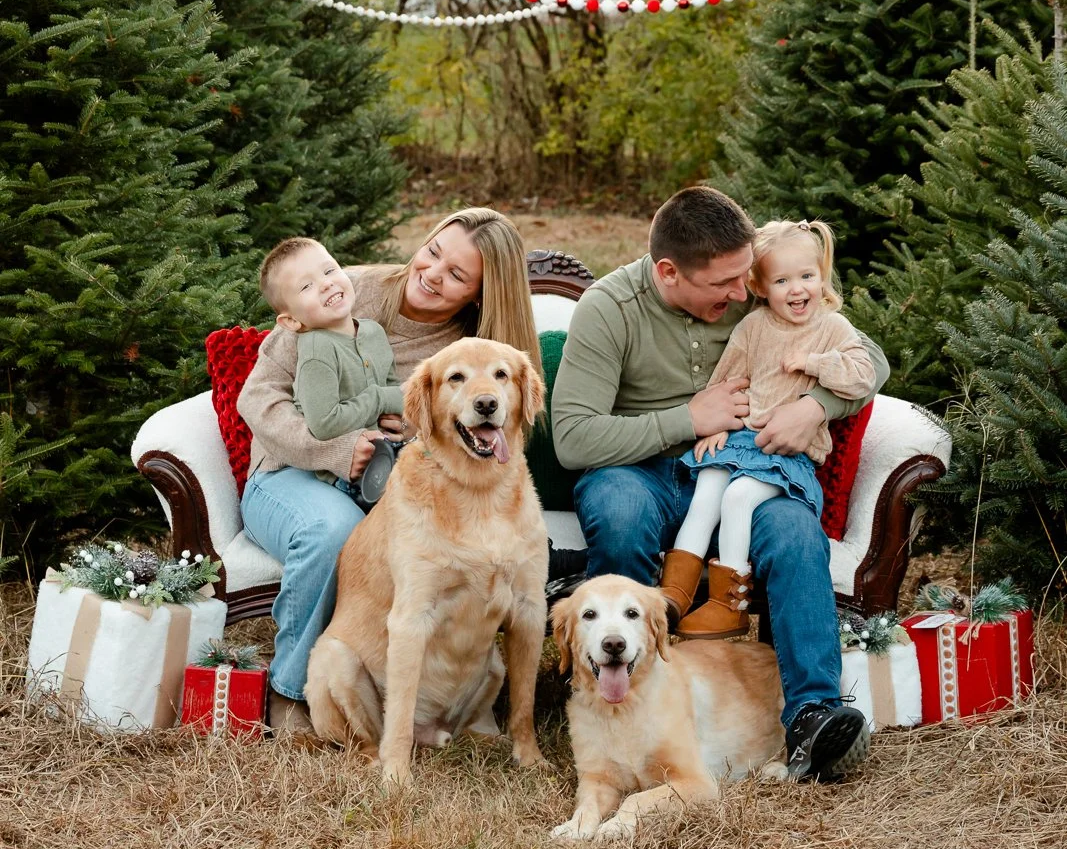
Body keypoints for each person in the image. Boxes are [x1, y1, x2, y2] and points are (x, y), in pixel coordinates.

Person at [551, 185, 889, 784]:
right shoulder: (609, 308)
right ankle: (618, 694)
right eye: (726, 285)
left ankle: (812, 712)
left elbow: (871, 360)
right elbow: (574, 438)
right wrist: (688, 420)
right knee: (617, 504)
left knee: (792, 531)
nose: (743, 293)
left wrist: (815, 405)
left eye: (747, 280)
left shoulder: (755, 292)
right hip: (645, 470)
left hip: (744, 466)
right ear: (668, 272)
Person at [238, 208, 542, 737]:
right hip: (289, 473)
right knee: (331, 529)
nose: (431, 273)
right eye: (433, 252)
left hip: (376, 483)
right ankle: (289, 693)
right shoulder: (347, 290)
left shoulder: (470, 350)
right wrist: (333, 450)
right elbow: (258, 396)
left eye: (456, 275)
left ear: (480, 294)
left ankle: (436, 692)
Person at [663, 217, 876, 639]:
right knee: (706, 491)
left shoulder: (832, 328)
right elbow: (726, 380)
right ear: (761, 287)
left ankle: (730, 606)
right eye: (782, 280)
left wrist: (815, 364)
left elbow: (863, 376)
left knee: (739, 497)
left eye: (807, 277)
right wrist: (714, 426)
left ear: (821, 277)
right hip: (741, 441)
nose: (797, 289)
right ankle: (673, 595)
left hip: (787, 456)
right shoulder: (753, 327)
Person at [257, 236, 405, 498]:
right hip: (342, 477)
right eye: (306, 286)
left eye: (329, 270)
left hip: (383, 455)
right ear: (291, 321)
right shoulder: (317, 349)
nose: (326, 284)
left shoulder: (373, 331)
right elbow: (324, 423)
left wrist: (397, 417)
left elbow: (391, 386)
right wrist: (379, 399)